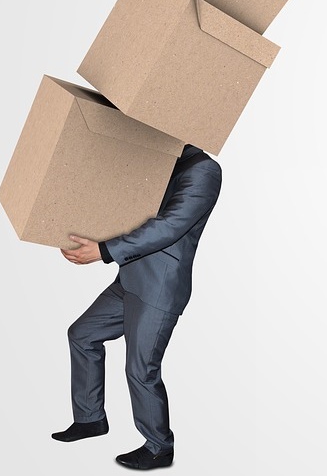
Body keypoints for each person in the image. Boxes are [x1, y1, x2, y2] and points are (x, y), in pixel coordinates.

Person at [53, 143, 222, 471]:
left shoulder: (203, 170)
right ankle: (90, 419)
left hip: (159, 288)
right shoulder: (156, 160)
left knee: (140, 369)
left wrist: (104, 250)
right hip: (129, 279)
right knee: (82, 335)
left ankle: (160, 447)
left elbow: (169, 226)